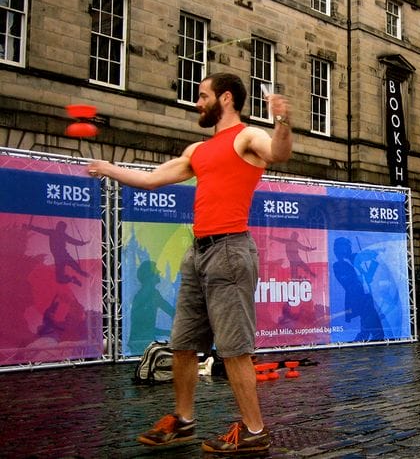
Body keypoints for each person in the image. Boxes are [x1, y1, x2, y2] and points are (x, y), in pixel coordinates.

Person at [87, 73, 292, 453]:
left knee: (233, 349)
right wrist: (109, 168)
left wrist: (281, 120)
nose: (197, 102)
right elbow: (151, 179)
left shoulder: (246, 137)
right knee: (182, 344)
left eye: (203, 96)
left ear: (225, 99)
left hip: (230, 251)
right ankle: (183, 421)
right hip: (197, 252)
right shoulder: (197, 150)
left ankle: (254, 430)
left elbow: (278, 153)